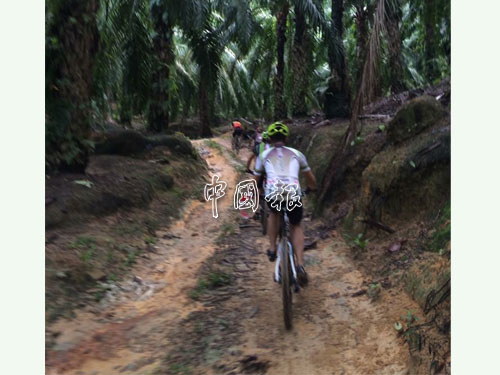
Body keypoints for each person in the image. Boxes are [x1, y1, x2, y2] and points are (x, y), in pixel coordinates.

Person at [253, 122, 317, 286]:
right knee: (295, 225)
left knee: (273, 213)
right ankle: (300, 264)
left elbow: (256, 181)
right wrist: (310, 189)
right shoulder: (297, 153)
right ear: (287, 138)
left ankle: (273, 248)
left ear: (271, 139)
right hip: (293, 193)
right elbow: (310, 179)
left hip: (273, 193)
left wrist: (257, 193)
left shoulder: (263, 155)